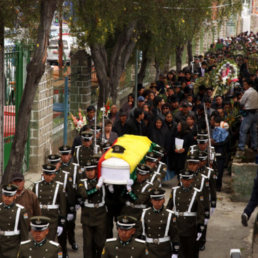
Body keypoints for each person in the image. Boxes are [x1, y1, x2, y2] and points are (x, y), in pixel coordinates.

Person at [167, 170, 205, 258]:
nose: (185, 182)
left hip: (190, 227)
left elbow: (200, 212)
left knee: (190, 252)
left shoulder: (197, 192)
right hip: (177, 225)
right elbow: (169, 207)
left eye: (188, 180)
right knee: (178, 252)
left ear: (192, 180)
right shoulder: (175, 191)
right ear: (181, 180)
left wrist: (200, 227)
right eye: (184, 180)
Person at [77, 159, 107, 258]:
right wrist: (97, 188)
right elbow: (84, 194)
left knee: (100, 242)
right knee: (88, 244)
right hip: (88, 216)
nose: (90, 173)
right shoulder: (82, 182)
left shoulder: (103, 180)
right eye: (88, 171)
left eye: (92, 170)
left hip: (100, 215)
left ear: (95, 170)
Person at [141, 188, 179, 258]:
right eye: (155, 200)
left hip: (164, 248)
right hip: (149, 248)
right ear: (151, 201)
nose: (157, 202)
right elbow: (141, 233)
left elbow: (175, 234)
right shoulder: (145, 213)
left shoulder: (170, 214)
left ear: (163, 200)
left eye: (159, 200)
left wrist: (175, 251)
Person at [32, 164, 66, 241]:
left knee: (50, 241)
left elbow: (63, 206)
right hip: (39, 217)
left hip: (52, 218)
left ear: (54, 175)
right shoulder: (37, 185)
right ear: (43, 174)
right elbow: (33, 203)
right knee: (38, 240)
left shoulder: (59, 186)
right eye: (46, 174)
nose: (48, 176)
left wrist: (61, 223)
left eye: (50, 174)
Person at [0, 184, 29, 257]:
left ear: (14, 196)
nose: (7, 198)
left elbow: (24, 233)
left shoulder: (20, 210)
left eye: (10, 196)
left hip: (13, 245)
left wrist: (24, 249)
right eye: (5, 195)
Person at [238, 79, 258, 152]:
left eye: (245, 84)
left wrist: (241, 102)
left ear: (249, 85)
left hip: (249, 113)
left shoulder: (247, 92)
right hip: (256, 113)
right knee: (254, 131)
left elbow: (241, 102)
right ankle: (254, 146)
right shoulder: (256, 92)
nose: (244, 86)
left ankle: (241, 146)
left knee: (243, 130)